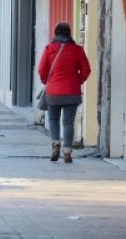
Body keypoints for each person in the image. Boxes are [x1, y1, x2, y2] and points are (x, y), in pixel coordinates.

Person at [38, 22, 91, 163]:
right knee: (68, 123)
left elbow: (41, 70)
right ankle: (67, 151)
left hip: (53, 92)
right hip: (72, 92)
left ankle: (55, 143)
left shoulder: (49, 48)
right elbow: (86, 70)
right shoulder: (77, 50)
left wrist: (47, 82)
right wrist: (77, 81)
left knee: (53, 120)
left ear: (55, 33)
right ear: (69, 33)